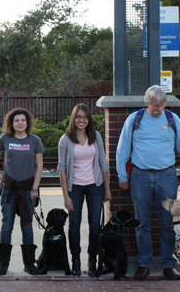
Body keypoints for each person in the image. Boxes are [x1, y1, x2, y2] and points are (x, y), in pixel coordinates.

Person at [116, 85, 180, 281]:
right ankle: (144, 264)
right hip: (140, 176)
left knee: (168, 223)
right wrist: (122, 177)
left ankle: (168, 264)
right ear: (146, 103)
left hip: (167, 176)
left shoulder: (172, 120)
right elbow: (122, 151)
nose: (159, 109)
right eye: (155, 105)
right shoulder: (134, 120)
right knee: (142, 223)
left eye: (162, 105)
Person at [58, 103, 111, 276]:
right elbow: (62, 169)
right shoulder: (65, 140)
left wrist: (107, 189)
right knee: (74, 224)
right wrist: (66, 196)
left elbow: (103, 163)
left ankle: (92, 260)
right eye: (78, 117)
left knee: (95, 225)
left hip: (95, 186)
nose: (82, 120)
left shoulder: (95, 136)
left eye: (85, 117)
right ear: (73, 118)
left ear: (89, 119)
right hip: (75, 187)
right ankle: (75, 260)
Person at [0, 108, 44, 276]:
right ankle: (3, 263)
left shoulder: (35, 140)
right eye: (17, 120)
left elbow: (40, 165)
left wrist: (35, 188)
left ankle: (29, 263)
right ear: (11, 123)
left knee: (27, 226)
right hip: (9, 189)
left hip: (27, 190)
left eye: (23, 120)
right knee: (7, 226)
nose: (20, 123)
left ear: (27, 122)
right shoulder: (4, 138)